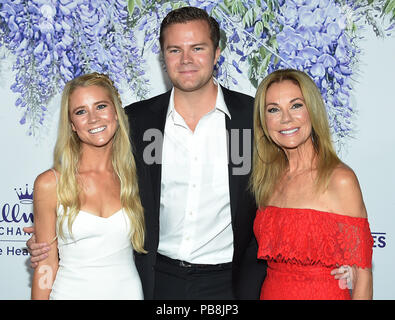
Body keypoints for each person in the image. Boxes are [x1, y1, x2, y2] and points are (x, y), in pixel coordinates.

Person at [25, 7, 353, 300]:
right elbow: (86, 180)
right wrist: (51, 239)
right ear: (163, 57)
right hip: (156, 279)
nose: (186, 59)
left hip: (231, 282)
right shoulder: (134, 121)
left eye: (197, 48)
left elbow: (297, 179)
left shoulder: (253, 117)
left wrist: (338, 257)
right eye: (174, 50)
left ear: (217, 53)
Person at [251, 68, 373, 300]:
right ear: (264, 122)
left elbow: (362, 275)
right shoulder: (268, 179)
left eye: (296, 105)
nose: (286, 118)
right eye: (274, 110)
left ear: (312, 111)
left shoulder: (340, 180)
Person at [30, 73, 145, 299]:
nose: (93, 119)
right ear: (72, 125)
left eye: (101, 106)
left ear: (116, 112)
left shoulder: (136, 177)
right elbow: (46, 263)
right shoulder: (50, 183)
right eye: (81, 111)